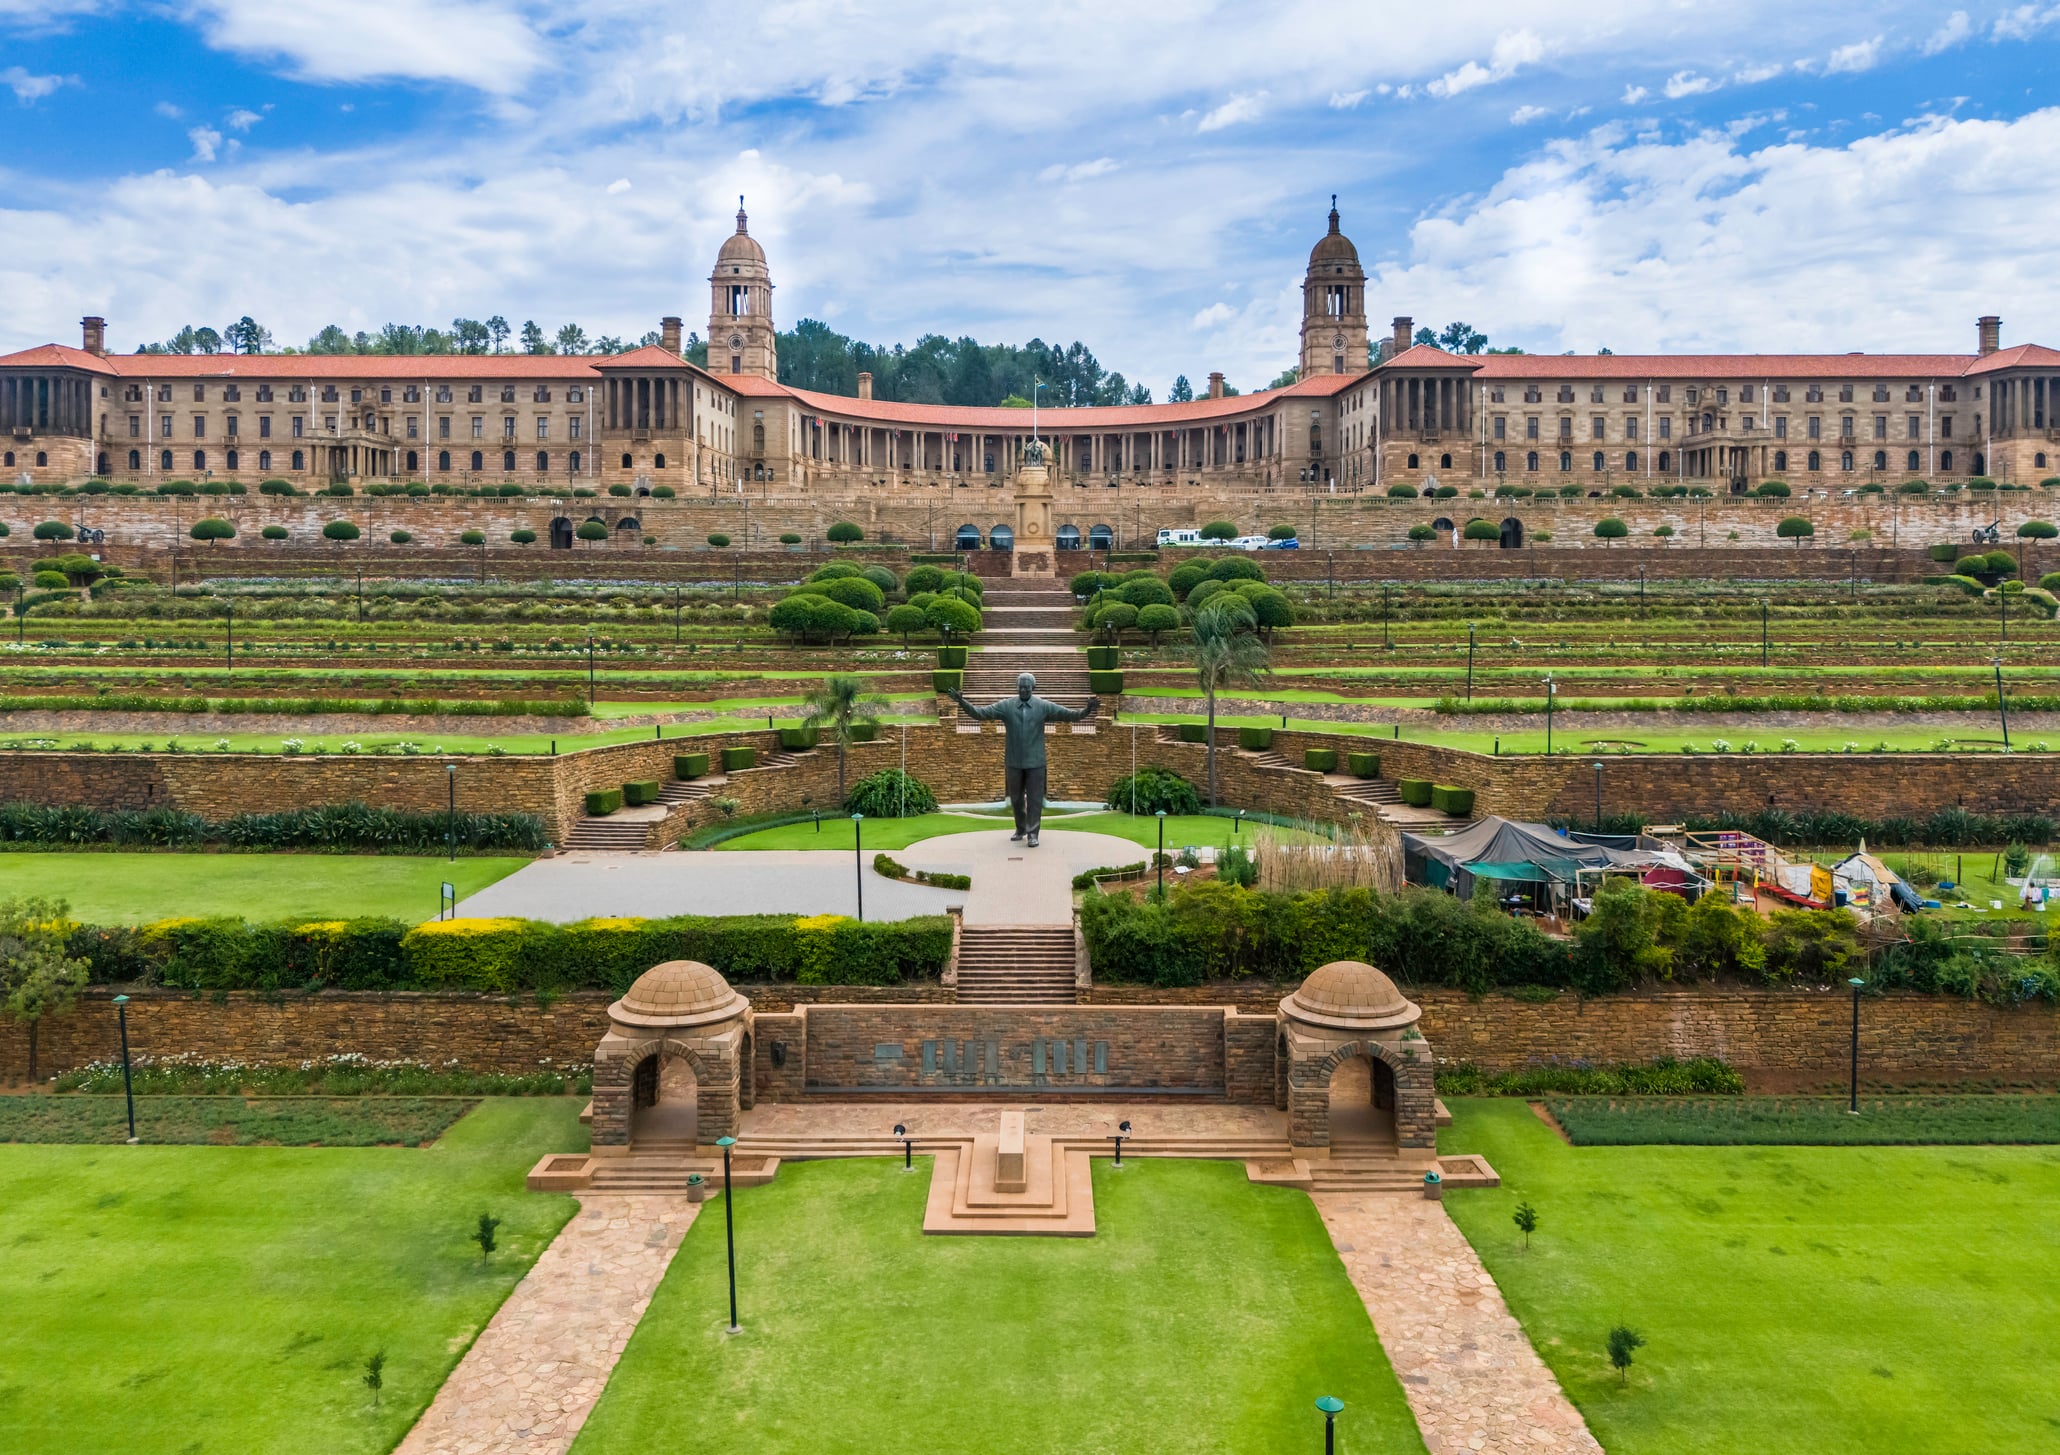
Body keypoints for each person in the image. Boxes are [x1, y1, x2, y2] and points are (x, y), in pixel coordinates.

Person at [947, 672, 1099, 846]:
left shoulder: (1043, 706)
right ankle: (1021, 828)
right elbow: (980, 714)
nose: (1023, 690)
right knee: (1016, 799)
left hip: (1036, 762)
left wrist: (1087, 710)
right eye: (1020, 687)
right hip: (1014, 761)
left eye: (1026, 687)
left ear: (1033, 688)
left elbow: (1069, 715)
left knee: (1034, 799)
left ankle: (1033, 833)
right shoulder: (1007, 706)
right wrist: (961, 702)